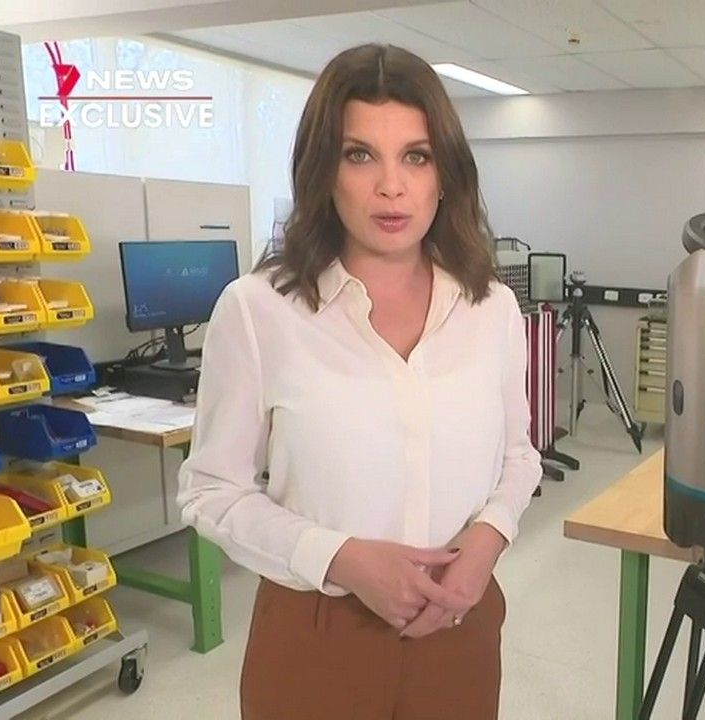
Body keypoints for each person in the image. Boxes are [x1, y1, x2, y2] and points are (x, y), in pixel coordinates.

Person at [177, 43, 541, 719]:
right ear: (324, 171)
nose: (391, 186)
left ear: (445, 174)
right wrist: (340, 557)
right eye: (360, 155)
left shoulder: (490, 308)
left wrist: (487, 540)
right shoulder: (258, 310)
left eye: (416, 156)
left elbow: (518, 457)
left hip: (458, 622)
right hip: (316, 632)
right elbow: (210, 491)